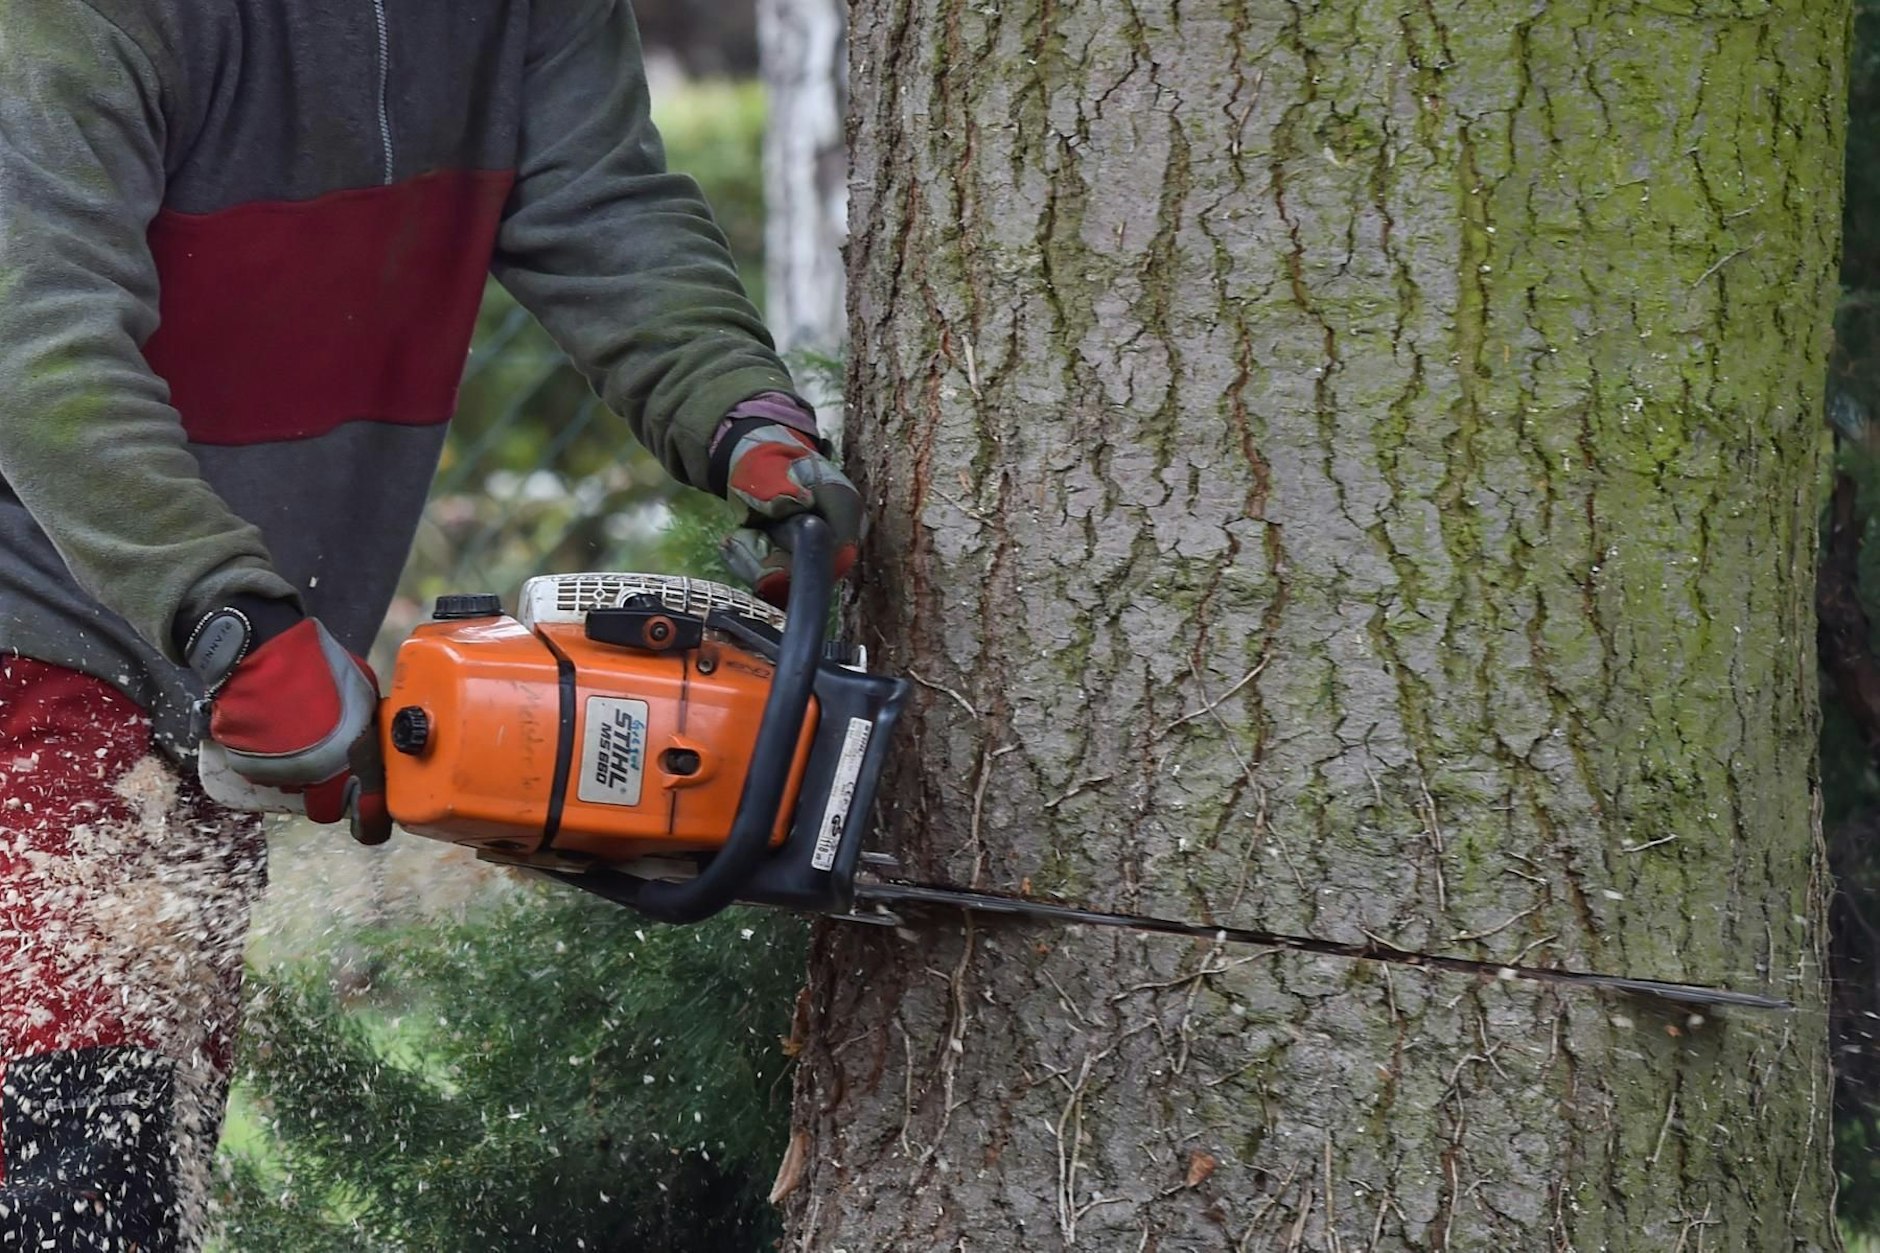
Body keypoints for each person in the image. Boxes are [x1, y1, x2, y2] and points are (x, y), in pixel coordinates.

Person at [0, 1, 862, 1247]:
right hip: (43, 616)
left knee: (152, 1121)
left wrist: (739, 417)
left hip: (209, 641)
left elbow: (602, 209)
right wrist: (228, 617)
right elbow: (33, 338)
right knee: (73, 1139)